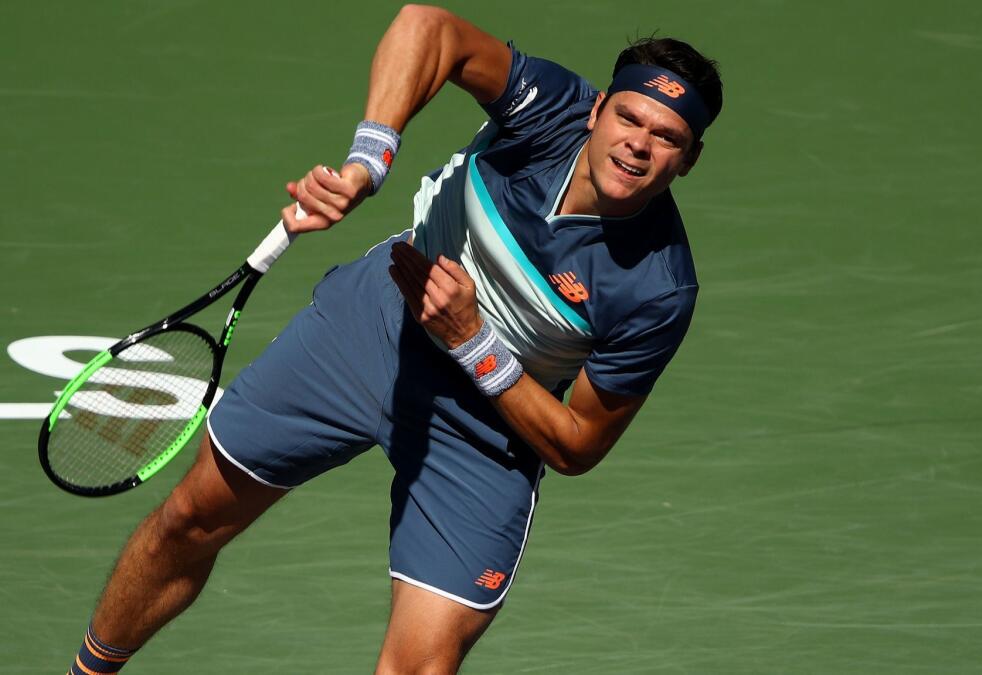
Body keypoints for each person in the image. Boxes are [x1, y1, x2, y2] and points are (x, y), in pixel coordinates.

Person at [68, 4, 722, 673]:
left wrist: (474, 342)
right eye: (629, 118)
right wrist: (366, 163)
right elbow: (425, 24)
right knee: (189, 521)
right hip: (373, 325)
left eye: (666, 136)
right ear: (597, 110)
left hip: (486, 420)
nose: (638, 143)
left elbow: (577, 443)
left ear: (689, 159)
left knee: (418, 666)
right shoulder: (549, 109)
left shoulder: (658, 287)